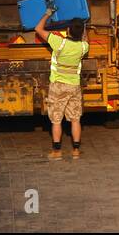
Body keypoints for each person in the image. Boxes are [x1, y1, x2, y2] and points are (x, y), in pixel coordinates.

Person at [35, 10, 89, 160]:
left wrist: (47, 14)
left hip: (58, 86)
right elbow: (85, 39)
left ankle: (57, 151)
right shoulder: (83, 48)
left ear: (67, 30)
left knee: (57, 120)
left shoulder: (59, 43)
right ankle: (76, 151)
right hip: (74, 86)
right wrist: (84, 25)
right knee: (75, 119)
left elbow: (38, 29)